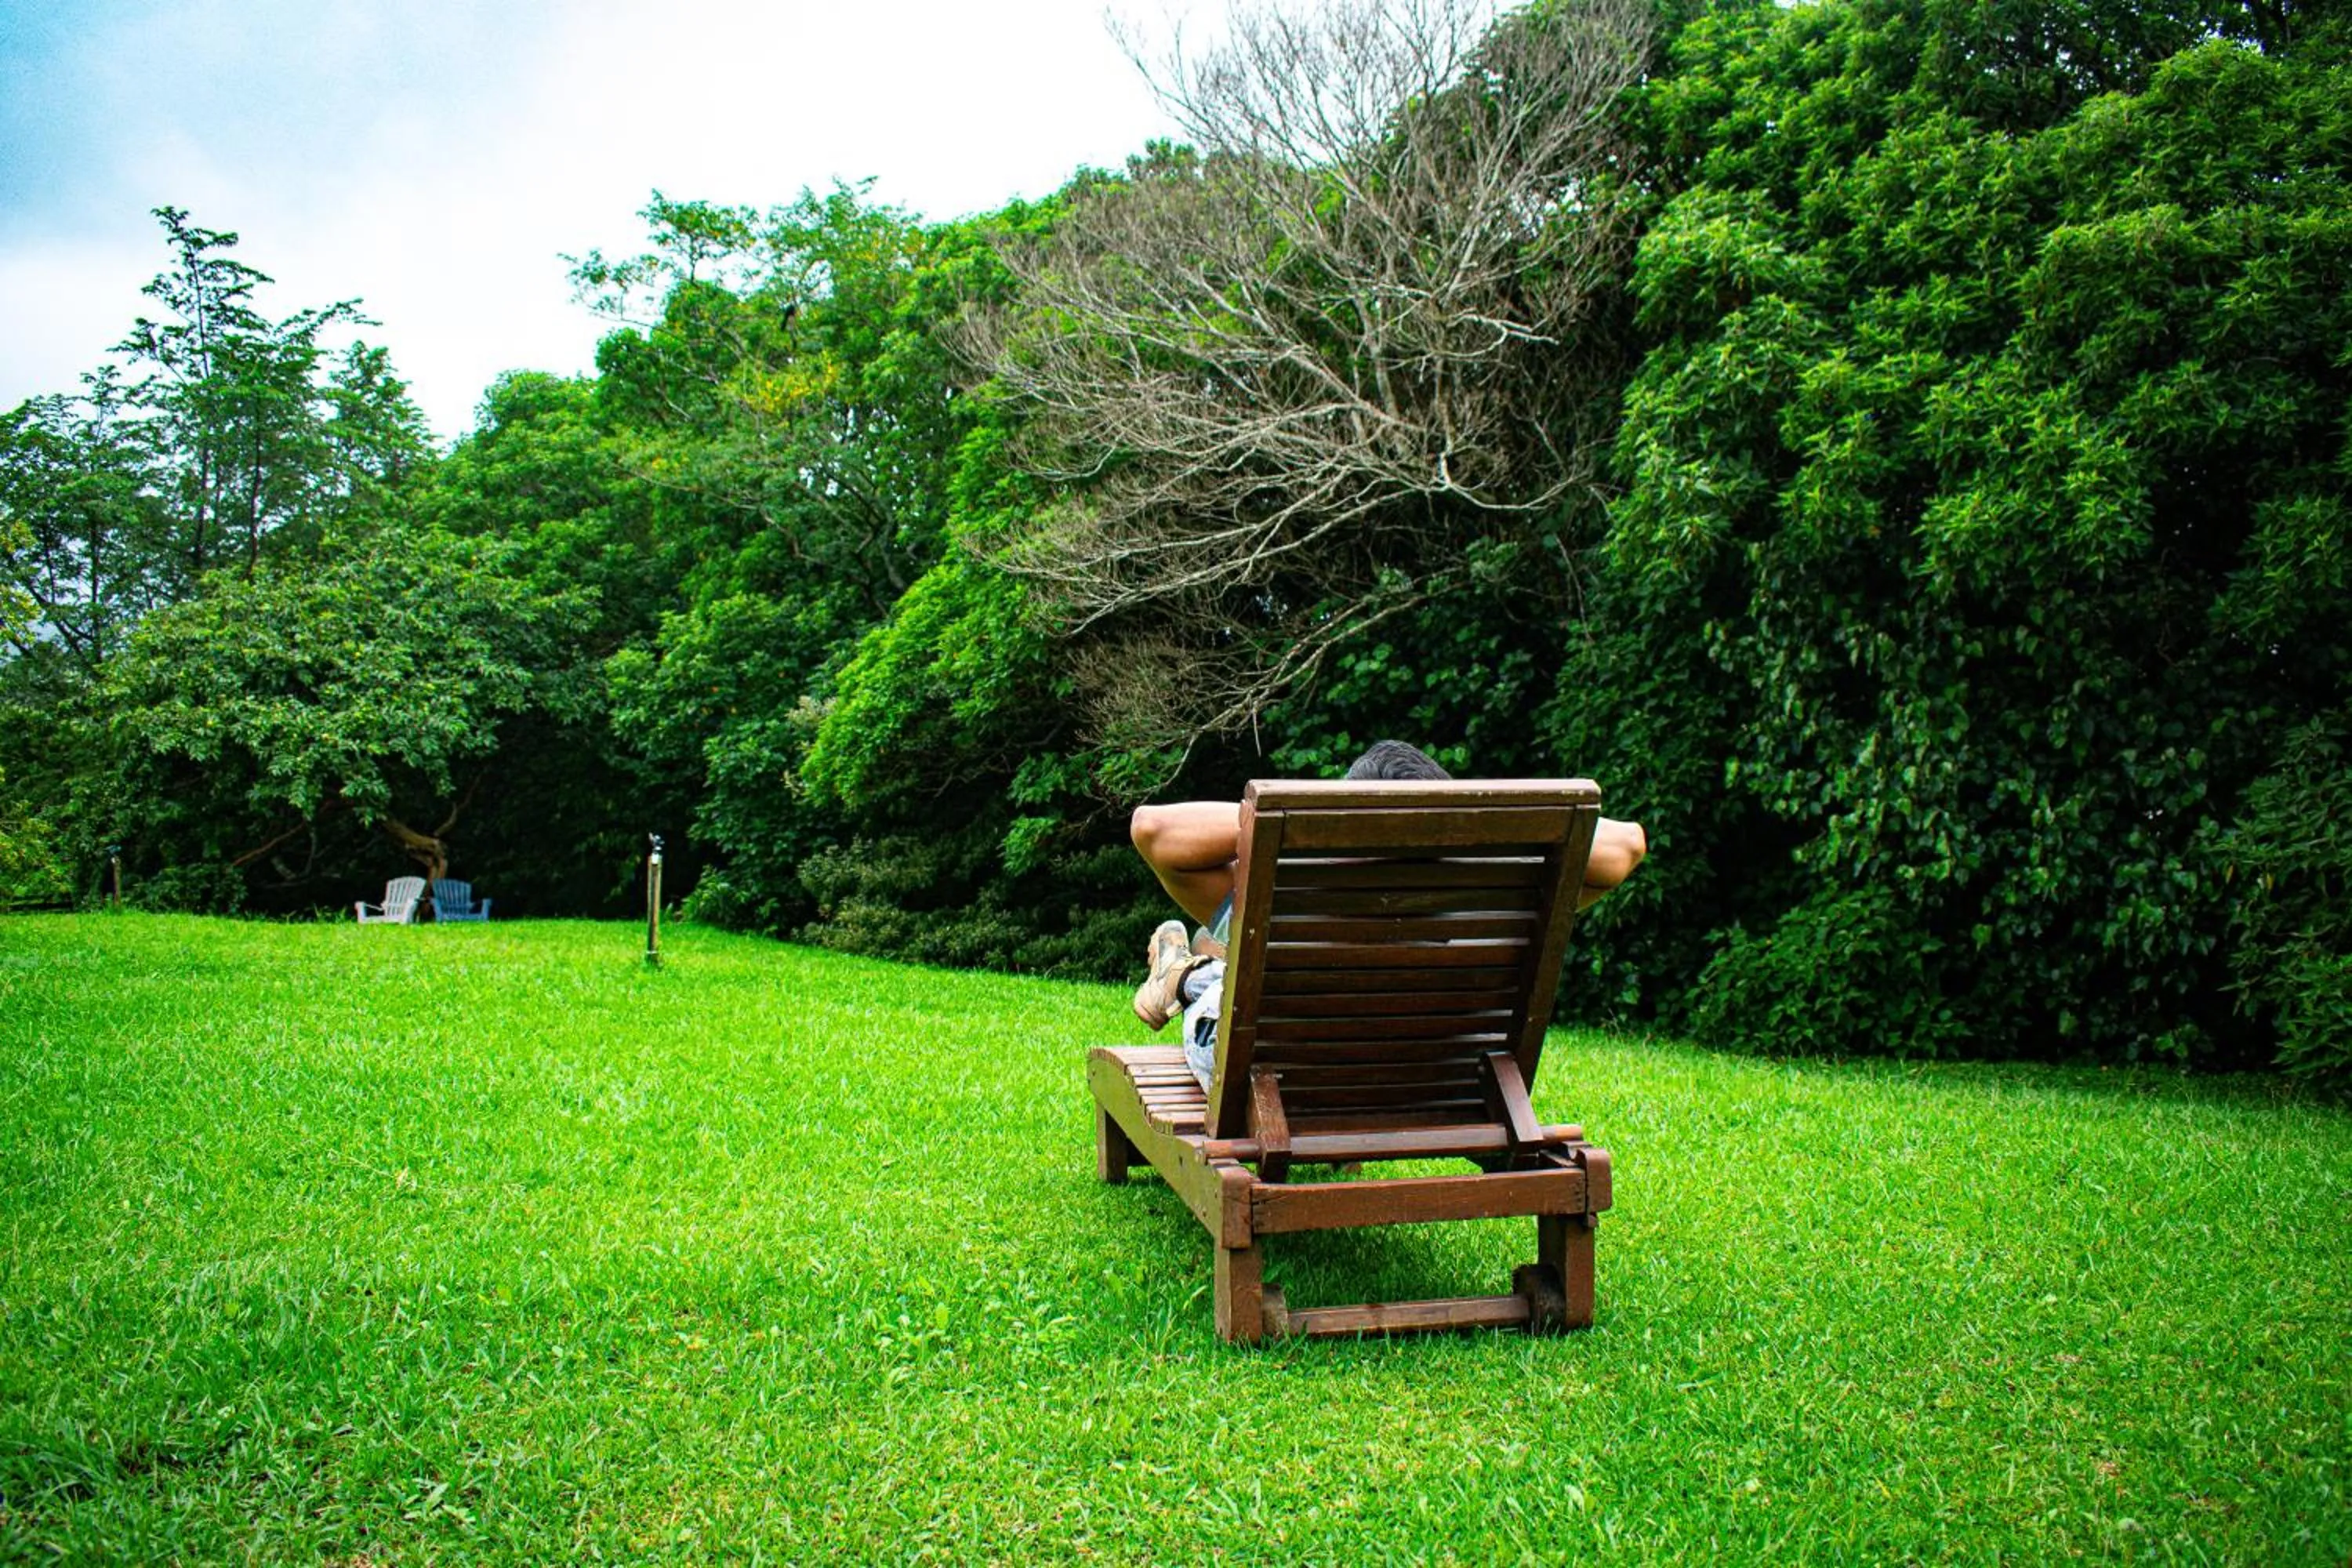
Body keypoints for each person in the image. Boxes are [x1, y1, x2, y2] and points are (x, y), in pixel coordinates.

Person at [1127, 741, 1649, 1090]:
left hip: (1282, 1077)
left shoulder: (1291, 890)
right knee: (1229, 967)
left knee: (1221, 987)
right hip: (1426, 1080)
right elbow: (1626, 844)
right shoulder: (1495, 897)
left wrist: (1323, 819)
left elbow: (1153, 829)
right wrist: (1469, 829)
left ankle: (1183, 971)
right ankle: (1192, 966)